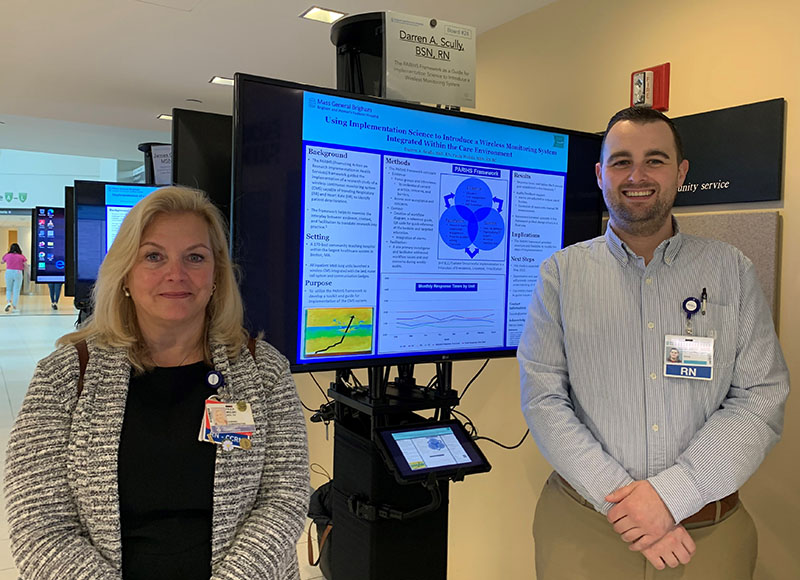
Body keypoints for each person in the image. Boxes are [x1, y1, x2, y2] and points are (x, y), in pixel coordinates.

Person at [518, 107, 789, 578]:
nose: (636, 176)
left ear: (680, 173)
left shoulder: (732, 272)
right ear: (601, 175)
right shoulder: (561, 275)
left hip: (708, 535)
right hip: (583, 531)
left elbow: (760, 399)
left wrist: (671, 496)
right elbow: (544, 400)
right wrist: (633, 510)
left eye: (655, 160)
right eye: (621, 161)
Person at [4, 187, 310, 580]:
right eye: (154, 256)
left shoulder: (262, 370)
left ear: (215, 276)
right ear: (126, 273)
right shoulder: (65, 375)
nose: (176, 274)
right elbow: (39, 525)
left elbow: (283, 500)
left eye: (195, 257)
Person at [2, 242, 27, 312]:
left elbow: (2, 261)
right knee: (16, 290)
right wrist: (29, 273)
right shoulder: (21, 256)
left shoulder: (7, 255)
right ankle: (15, 306)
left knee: (8, 289)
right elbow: (26, 265)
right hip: (18, 272)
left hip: (8, 272)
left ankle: (8, 302)